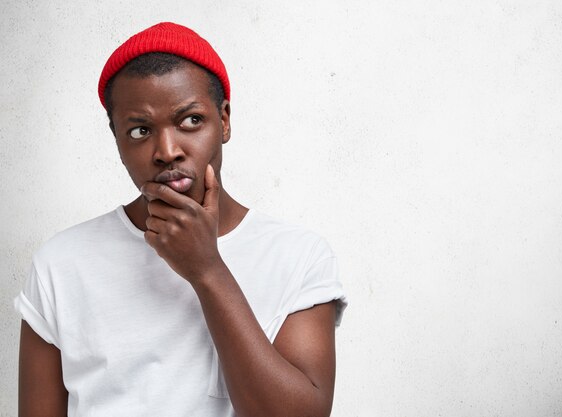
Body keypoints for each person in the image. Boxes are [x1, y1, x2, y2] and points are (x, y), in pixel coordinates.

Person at [15, 22, 347, 417]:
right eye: (140, 130)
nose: (167, 150)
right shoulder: (62, 263)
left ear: (224, 121)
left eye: (190, 120)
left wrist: (207, 270)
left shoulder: (298, 256)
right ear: (117, 141)